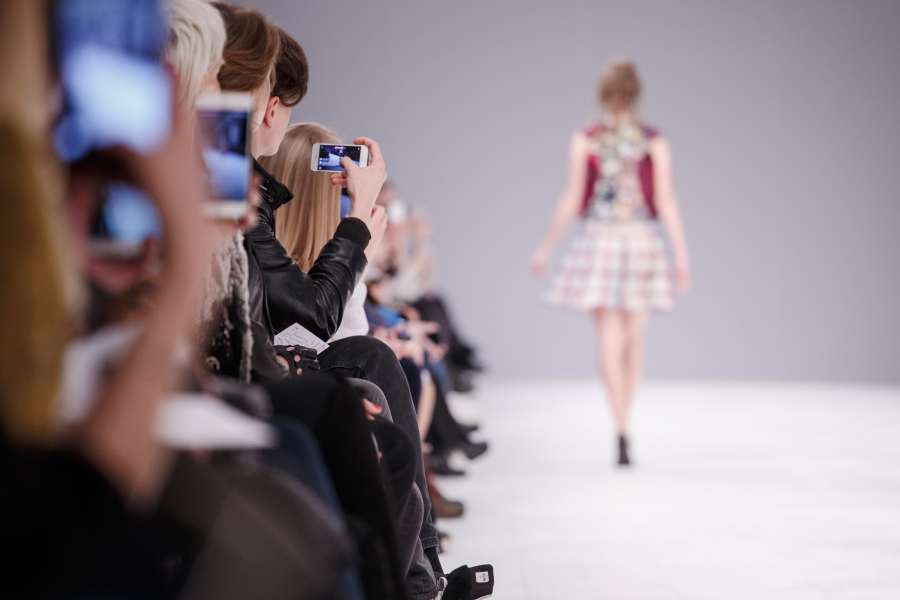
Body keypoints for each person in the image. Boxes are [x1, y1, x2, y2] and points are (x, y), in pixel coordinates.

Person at [531, 59, 691, 467]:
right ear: (637, 94)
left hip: (600, 240)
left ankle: (618, 425)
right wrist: (681, 255)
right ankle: (625, 423)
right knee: (635, 338)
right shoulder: (653, 140)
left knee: (608, 339)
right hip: (641, 241)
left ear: (602, 94)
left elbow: (571, 198)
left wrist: (547, 247)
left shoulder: (587, 139)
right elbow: (667, 201)